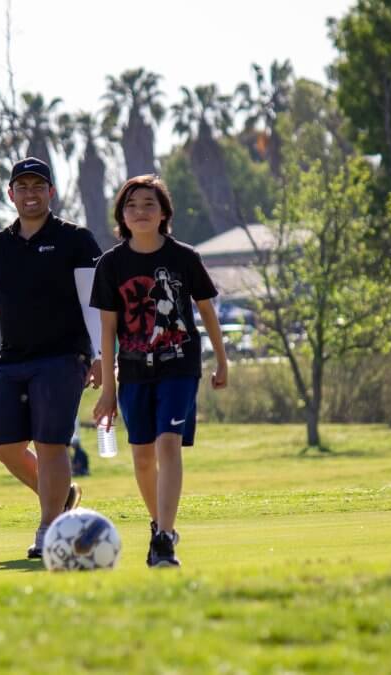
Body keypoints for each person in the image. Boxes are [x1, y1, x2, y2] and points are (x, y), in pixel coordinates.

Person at [0, 157, 104, 559]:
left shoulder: (76, 239)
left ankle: (49, 527)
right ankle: (61, 499)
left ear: (51, 192)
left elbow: (93, 302)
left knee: (51, 445)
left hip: (64, 358)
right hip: (13, 361)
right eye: (22, 187)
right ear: (11, 194)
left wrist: (101, 354)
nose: (30, 194)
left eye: (38, 186)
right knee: (5, 445)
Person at [91, 175, 229, 568]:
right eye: (132, 205)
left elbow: (206, 310)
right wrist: (108, 389)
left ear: (164, 212)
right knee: (141, 456)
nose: (140, 212)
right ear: (122, 214)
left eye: (149, 204)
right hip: (134, 371)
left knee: (168, 444)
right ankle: (158, 524)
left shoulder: (185, 257)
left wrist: (222, 360)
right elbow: (107, 329)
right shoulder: (111, 264)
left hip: (179, 366)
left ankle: (165, 539)